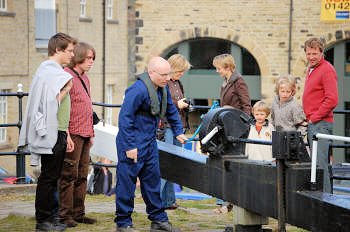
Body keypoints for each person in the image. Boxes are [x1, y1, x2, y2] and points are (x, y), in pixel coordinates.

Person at [115, 56, 187, 232]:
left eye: (168, 74)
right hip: (132, 143)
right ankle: (123, 223)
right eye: (163, 74)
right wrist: (130, 146)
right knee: (127, 184)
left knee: (152, 182)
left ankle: (159, 220)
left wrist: (178, 132)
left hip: (149, 142)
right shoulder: (137, 90)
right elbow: (125, 119)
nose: (167, 78)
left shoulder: (162, 89)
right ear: (151, 72)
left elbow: (170, 109)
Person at [18, 32, 77, 231]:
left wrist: (66, 133)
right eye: (69, 51)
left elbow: (57, 109)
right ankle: (43, 221)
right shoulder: (49, 72)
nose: (72, 55)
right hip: (50, 134)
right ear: (58, 50)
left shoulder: (56, 71)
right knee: (48, 178)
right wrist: (66, 90)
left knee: (54, 177)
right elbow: (44, 105)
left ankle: (53, 218)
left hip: (59, 132)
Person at [58, 42, 97, 227]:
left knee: (82, 175)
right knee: (68, 175)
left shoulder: (85, 78)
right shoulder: (66, 75)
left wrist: (91, 132)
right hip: (72, 132)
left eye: (93, 58)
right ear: (79, 57)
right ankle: (65, 215)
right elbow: (62, 106)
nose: (91, 62)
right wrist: (65, 133)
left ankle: (78, 213)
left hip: (85, 132)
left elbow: (86, 107)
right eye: (88, 58)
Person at [212, 53, 252, 214]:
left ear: (228, 67)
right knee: (226, 164)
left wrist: (241, 127)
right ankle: (227, 202)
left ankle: (234, 202)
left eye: (218, 68)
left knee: (235, 166)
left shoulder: (239, 82)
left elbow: (246, 106)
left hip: (237, 129)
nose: (217, 71)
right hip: (227, 127)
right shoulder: (225, 82)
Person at [302, 37, 338, 193]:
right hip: (313, 123)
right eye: (308, 53)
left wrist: (314, 118)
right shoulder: (311, 69)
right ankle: (320, 201)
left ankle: (327, 205)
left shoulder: (327, 69)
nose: (311, 57)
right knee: (315, 165)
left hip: (320, 124)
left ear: (322, 52)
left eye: (314, 53)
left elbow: (332, 99)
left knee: (320, 166)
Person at [160, 54, 191, 210]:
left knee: (172, 166)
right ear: (173, 68)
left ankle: (169, 201)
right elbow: (162, 103)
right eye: (180, 71)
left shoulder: (178, 83)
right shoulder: (164, 83)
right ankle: (157, 201)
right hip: (167, 127)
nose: (182, 74)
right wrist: (177, 104)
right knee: (166, 164)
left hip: (178, 126)